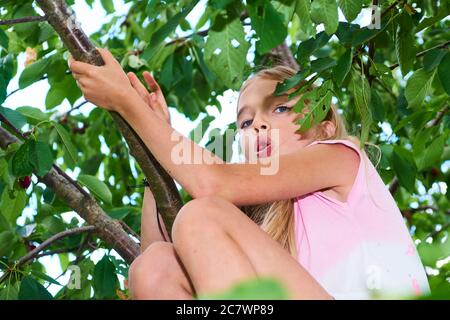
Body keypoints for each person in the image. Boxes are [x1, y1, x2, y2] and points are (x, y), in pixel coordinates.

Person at [68, 48, 430, 300]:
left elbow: (213, 182)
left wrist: (127, 104)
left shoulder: (341, 157)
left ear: (324, 125)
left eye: (280, 108)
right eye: (244, 120)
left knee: (202, 214)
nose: (256, 123)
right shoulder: (254, 234)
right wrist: (154, 158)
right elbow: (153, 278)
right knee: (154, 267)